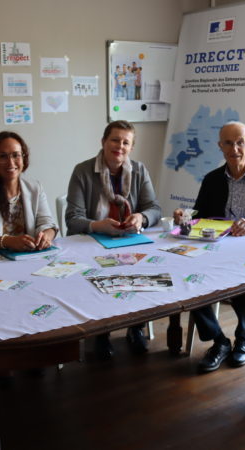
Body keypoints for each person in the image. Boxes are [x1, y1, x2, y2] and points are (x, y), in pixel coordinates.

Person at [172, 121, 245, 373]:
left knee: (243, 278)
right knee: (188, 279)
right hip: (214, 249)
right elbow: (198, 216)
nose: (235, 149)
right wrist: (184, 217)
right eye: (229, 143)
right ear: (220, 146)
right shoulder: (212, 179)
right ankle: (219, 341)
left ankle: (243, 339)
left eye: (240, 142)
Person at [66, 120, 161, 359]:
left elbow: (154, 208)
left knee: (146, 268)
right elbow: (73, 219)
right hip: (92, 241)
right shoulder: (83, 171)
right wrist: (98, 225)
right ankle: (101, 333)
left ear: (131, 147)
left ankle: (136, 327)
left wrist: (141, 217)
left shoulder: (139, 170)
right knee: (99, 272)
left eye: (126, 142)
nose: (120, 146)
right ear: (103, 142)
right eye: (115, 140)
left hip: (128, 239)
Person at [0, 131, 58, 253]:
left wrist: (45, 236)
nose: (11, 162)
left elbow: (48, 223)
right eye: (3, 156)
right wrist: (8, 241)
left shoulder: (35, 188)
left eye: (16, 155)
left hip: (31, 256)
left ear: (24, 158)